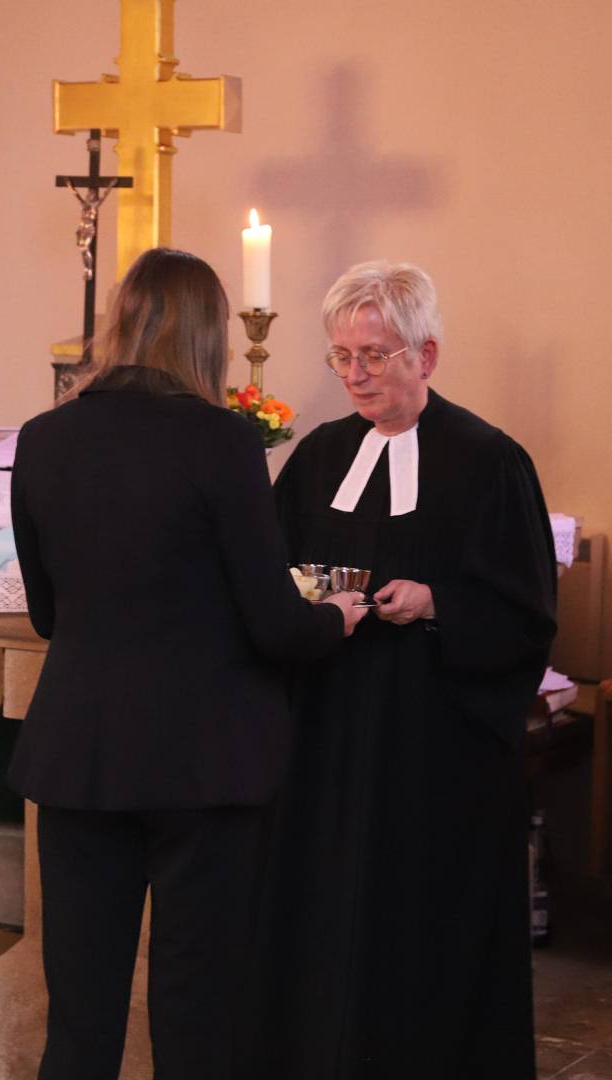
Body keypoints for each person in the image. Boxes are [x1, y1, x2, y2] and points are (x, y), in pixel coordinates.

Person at [9, 247, 367, 1080]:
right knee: (197, 1014)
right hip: (203, 764)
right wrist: (335, 620)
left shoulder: (45, 438)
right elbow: (273, 622)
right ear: (209, 336)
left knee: (81, 1017)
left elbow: (47, 613)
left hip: (81, 759)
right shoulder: (223, 441)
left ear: (120, 323)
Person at [248, 261, 558, 1078]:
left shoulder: (490, 462)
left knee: (420, 939)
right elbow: (270, 582)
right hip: (329, 742)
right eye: (340, 356)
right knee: (323, 920)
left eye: (374, 354)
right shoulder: (317, 460)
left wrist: (438, 604)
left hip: (436, 752)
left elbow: (528, 616)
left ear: (427, 355)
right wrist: (313, 608)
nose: (354, 374)